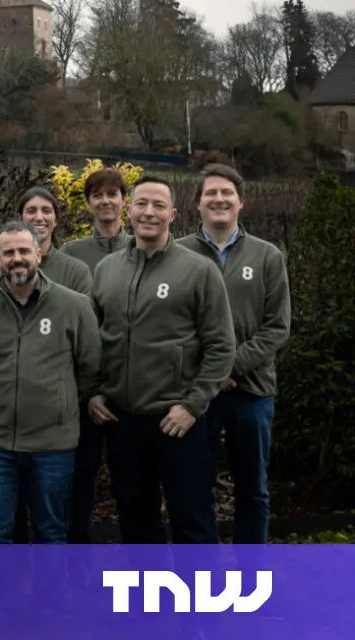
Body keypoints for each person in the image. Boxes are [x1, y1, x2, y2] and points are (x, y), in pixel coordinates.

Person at [87, 175, 235, 544]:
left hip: (178, 420)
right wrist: (94, 391)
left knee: (193, 520)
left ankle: (197, 585)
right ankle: (148, 584)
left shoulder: (199, 270)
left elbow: (221, 346)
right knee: (136, 520)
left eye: (158, 205)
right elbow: (93, 341)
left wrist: (192, 405)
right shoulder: (107, 270)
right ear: (129, 210)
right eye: (141, 204)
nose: (148, 212)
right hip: (123, 422)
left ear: (173, 214)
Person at [0, 221, 100, 544]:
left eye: (24, 250)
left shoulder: (74, 305)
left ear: (38, 253)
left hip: (53, 445)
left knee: (51, 532)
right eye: (9, 253)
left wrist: (57, 400)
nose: (17, 258)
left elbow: (89, 367)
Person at [176, 163, 291, 545]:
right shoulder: (178, 254)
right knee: (196, 490)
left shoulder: (268, 256)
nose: (219, 198)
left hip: (252, 392)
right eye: (211, 192)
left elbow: (277, 327)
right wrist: (210, 376)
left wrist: (229, 367)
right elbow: (172, 327)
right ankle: (203, 573)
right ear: (198, 203)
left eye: (227, 192)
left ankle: (250, 574)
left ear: (241, 202)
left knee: (253, 491)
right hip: (197, 395)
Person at [60, 167, 131, 544]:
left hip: (128, 385)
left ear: (123, 200)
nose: (105, 201)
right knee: (80, 473)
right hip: (84, 389)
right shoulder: (71, 255)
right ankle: (77, 550)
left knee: (132, 478)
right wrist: (89, 391)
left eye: (112, 194)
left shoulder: (140, 248)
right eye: (97, 195)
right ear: (88, 203)